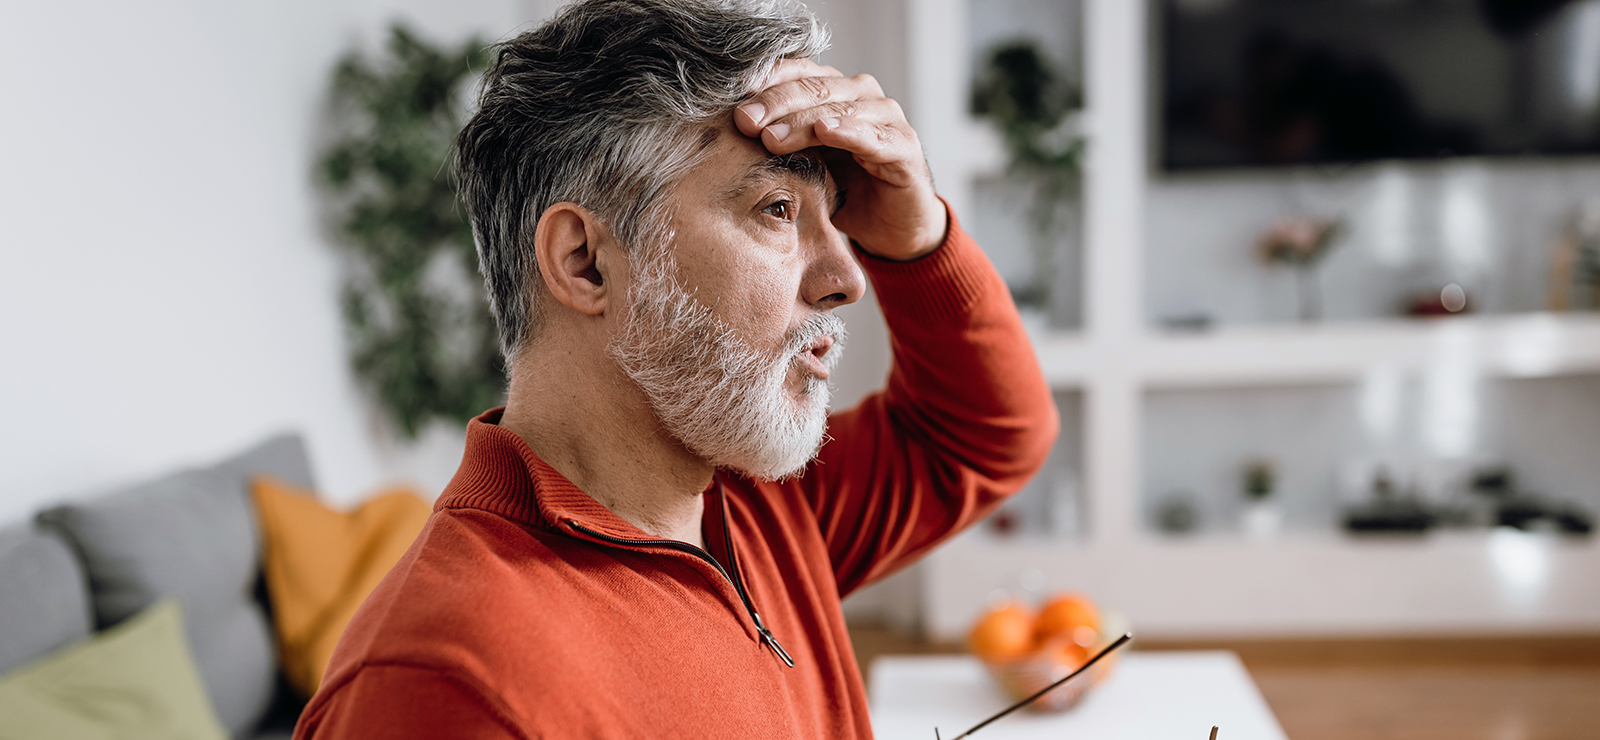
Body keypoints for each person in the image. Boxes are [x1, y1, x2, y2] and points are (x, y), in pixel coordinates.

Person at [293, 0, 1056, 737]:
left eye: (839, 215)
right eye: (778, 211)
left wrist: (920, 240)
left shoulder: (756, 506)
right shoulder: (449, 687)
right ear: (585, 262)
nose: (848, 278)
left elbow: (982, 436)